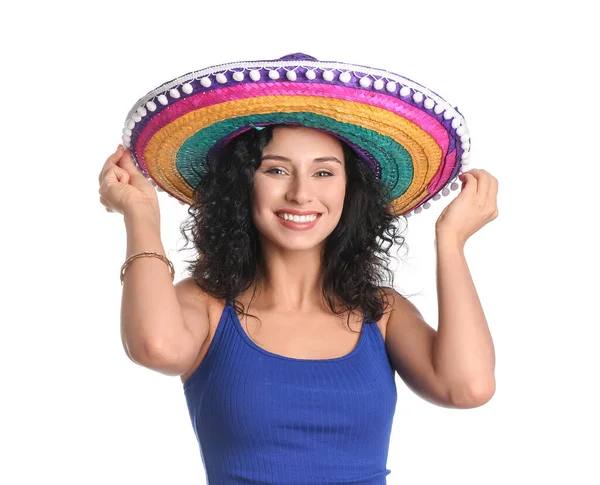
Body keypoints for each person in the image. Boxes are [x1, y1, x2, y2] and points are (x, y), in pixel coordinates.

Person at [98, 53, 498, 484]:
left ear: (351, 188)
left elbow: (468, 387)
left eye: (324, 172)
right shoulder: (206, 306)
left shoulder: (382, 312)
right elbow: (154, 346)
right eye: (275, 170)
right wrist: (140, 217)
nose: (302, 193)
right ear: (242, 184)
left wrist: (451, 242)